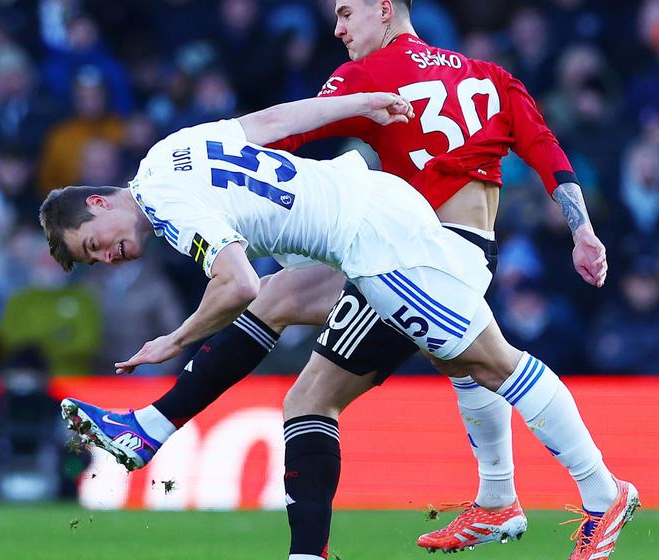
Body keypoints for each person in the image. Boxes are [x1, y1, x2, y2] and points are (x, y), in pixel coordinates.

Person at [47, 1, 619, 557]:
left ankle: (603, 493)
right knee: (286, 313)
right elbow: (547, 151)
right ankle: (493, 497)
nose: (340, 29)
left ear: (385, 9)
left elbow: (285, 133)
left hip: (404, 247)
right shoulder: (490, 77)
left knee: (491, 362)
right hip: (445, 240)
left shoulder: (362, 76)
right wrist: (583, 229)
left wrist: (176, 337)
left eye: (347, 14)